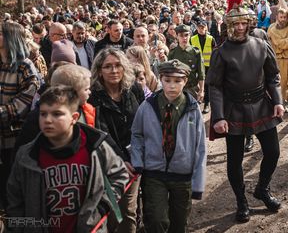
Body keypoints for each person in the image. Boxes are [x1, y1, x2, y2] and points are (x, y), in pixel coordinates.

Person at [207, 0, 285, 223]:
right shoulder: (221, 52)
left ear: (248, 22)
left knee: (273, 152)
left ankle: (262, 188)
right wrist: (219, 116)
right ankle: (241, 201)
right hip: (234, 109)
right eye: (236, 23)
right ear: (229, 25)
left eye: (243, 22)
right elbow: (215, 86)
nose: (240, 27)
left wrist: (278, 101)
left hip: (262, 103)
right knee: (234, 159)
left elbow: (273, 75)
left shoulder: (261, 43)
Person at [7, 86, 129, 232]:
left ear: (74, 118)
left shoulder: (95, 145)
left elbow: (120, 174)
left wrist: (103, 206)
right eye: (43, 114)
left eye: (57, 114)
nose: (48, 120)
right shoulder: (27, 155)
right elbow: (15, 200)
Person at [131, 60, 207, 233]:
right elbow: (136, 134)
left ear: (185, 81)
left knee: (179, 222)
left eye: (178, 81)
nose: (172, 86)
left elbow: (200, 147)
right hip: (154, 173)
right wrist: (138, 160)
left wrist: (198, 183)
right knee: (156, 220)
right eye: (167, 80)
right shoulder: (147, 106)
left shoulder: (192, 109)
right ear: (160, 79)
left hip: (182, 175)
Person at [89, 48, 142, 233]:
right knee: (115, 211)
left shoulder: (134, 88)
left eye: (118, 65)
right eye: (108, 66)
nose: (114, 70)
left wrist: (136, 155)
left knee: (129, 211)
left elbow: (143, 122)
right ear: (99, 70)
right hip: (109, 163)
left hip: (137, 158)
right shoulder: (93, 97)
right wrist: (120, 160)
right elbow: (100, 132)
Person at [0, 21, 40, 209]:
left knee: (13, 191)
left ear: (11, 38)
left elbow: (24, 102)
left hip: (14, 140)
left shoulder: (25, 66)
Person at [267, 7, 288, 111]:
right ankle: (283, 102)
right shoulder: (272, 29)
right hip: (279, 58)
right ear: (277, 17)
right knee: (282, 82)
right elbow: (281, 44)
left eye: (285, 17)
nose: (283, 19)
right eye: (281, 17)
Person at [168, 24, 205, 102]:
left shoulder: (196, 52)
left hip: (192, 88)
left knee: (192, 112)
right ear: (177, 36)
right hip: (177, 89)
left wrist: (201, 91)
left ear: (190, 35)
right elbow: (169, 73)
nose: (184, 38)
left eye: (186, 35)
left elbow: (201, 74)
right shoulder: (173, 53)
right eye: (181, 35)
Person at [190, 20, 216, 114]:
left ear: (206, 28)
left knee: (207, 85)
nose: (201, 29)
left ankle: (207, 103)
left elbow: (215, 52)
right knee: (196, 84)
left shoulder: (211, 38)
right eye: (199, 27)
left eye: (203, 27)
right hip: (196, 65)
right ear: (197, 28)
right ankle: (199, 99)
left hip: (208, 66)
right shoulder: (192, 39)